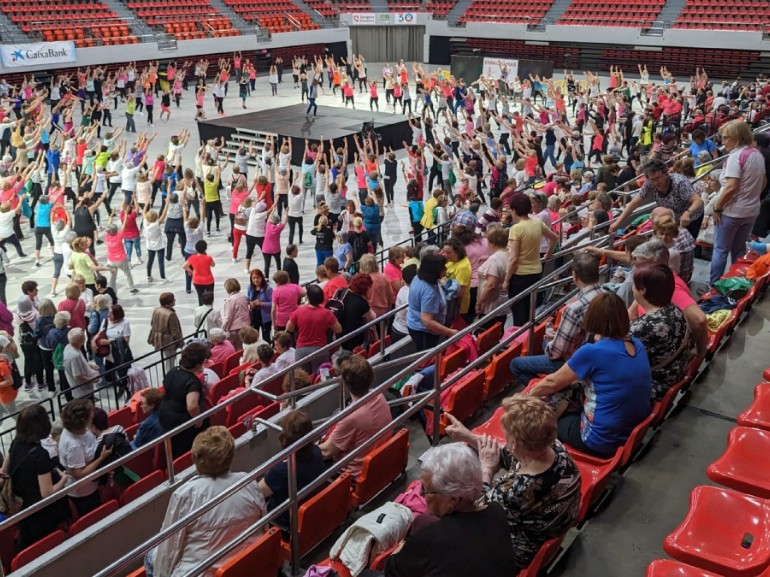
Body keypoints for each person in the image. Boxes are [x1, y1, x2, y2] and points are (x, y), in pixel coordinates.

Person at [445, 395, 581, 570]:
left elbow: (477, 510)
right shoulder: (554, 447)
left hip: (521, 549)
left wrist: (486, 470)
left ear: (515, 442)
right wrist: (469, 437)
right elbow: (509, 455)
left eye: (507, 436)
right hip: (551, 525)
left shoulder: (516, 491)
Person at [527, 293, 652, 458]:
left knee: (542, 419)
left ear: (593, 319)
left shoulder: (593, 352)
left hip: (599, 439)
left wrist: (527, 397)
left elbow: (551, 383)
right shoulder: (637, 344)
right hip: (629, 430)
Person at [147, 427, 267, 577]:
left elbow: (168, 547)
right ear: (231, 456)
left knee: (150, 555)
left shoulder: (185, 495)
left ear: (196, 459)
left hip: (204, 571)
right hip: (245, 563)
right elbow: (264, 525)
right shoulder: (248, 481)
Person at [384, 443, 517, 577]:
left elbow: (391, 570)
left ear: (453, 498)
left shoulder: (429, 538)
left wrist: (402, 546)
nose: (421, 494)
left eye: (426, 490)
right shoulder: (497, 511)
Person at [510, 251, 603, 386]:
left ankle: (551, 391)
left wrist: (551, 341)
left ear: (574, 275)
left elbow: (556, 353)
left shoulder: (574, 309)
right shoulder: (607, 295)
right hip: (592, 353)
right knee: (545, 344)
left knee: (516, 364)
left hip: (574, 362)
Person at [2, 404, 68, 549]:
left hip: (20, 504)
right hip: (39, 511)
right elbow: (47, 493)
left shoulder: (16, 443)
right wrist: (64, 479)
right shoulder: (40, 455)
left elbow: (4, 471)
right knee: (44, 542)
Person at [709, 120, 766, 285]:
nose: (723, 141)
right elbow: (763, 182)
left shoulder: (736, 156)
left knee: (720, 250)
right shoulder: (757, 154)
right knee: (739, 250)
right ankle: (737, 283)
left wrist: (717, 207)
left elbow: (731, 187)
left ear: (737, 137)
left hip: (731, 213)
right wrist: (751, 197)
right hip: (751, 211)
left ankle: (714, 287)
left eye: (726, 138)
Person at [318, 354, 391, 476]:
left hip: (353, 475)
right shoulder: (379, 396)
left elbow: (326, 452)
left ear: (346, 383)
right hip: (380, 462)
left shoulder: (351, 417)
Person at [629, 263, 693, 402]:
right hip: (677, 373)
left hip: (656, 386)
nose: (632, 288)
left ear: (643, 290)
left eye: (634, 285)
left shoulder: (643, 327)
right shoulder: (674, 310)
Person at [259, 410, 329, 527]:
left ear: (285, 438)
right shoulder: (317, 451)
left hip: (284, 524)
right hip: (313, 512)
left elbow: (258, 492)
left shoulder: (281, 471)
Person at [610, 158, 705, 241]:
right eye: (652, 179)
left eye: (658, 177)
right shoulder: (649, 184)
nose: (656, 182)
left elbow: (698, 201)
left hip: (691, 217)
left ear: (666, 173)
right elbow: (634, 203)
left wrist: (688, 212)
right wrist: (617, 223)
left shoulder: (679, 182)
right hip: (672, 218)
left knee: (684, 244)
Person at [504, 193, 558, 327]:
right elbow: (554, 238)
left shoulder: (516, 229)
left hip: (519, 276)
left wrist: (506, 280)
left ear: (515, 210)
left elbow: (514, 258)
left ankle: (520, 340)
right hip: (536, 273)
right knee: (530, 311)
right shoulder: (537, 223)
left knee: (518, 314)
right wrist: (547, 255)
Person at [59, 398, 113, 516]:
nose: (93, 414)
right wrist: (101, 458)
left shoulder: (83, 430)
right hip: (83, 492)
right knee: (93, 516)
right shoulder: (73, 445)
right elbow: (79, 474)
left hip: (93, 483)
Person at [158, 342, 211, 458]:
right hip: (182, 423)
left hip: (165, 415)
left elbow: (165, 387)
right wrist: (198, 419)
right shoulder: (193, 382)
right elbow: (192, 406)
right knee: (183, 452)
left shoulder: (173, 371)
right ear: (197, 364)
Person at [286, 284, 341, 373]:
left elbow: (289, 328)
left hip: (302, 350)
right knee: (323, 376)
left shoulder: (298, 311)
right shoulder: (326, 313)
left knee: (303, 379)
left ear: (308, 297)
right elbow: (338, 329)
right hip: (320, 349)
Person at [407, 253, 456, 351]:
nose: (446, 269)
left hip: (416, 324)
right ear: (435, 271)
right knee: (426, 358)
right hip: (424, 332)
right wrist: (449, 332)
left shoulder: (419, 277)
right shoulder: (429, 293)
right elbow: (427, 321)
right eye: (443, 267)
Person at [476, 226, 510, 330]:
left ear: (492, 243)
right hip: (503, 300)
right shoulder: (509, 254)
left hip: (490, 304)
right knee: (498, 330)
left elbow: (491, 285)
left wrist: (480, 302)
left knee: (486, 332)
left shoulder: (494, 259)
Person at [337, 273, 376, 352]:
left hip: (341, 334)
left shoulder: (343, 291)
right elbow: (371, 318)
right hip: (355, 337)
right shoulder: (362, 303)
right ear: (365, 289)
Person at [148, 292, 183, 375]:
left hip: (160, 339)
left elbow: (152, 323)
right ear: (170, 302)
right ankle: (170, 377)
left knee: (167, 359)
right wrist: (181, 342)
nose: (175, 300)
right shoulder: (171, 314)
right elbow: (175, 332)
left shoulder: (157, 310)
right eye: (173, 299)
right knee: (171, 361)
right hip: (169, 342)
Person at [63, 328, 99, 400]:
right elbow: (78, 376)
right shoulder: (74, 355)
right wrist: (92, 379)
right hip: (83, 392)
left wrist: (89, 365)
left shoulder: (69, 347)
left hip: (84, 391)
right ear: (81, 341)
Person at [183, 240, 216, 306]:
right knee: (210, 297)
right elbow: (213, 265)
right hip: (208, 280)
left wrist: (191, 272)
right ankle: (210, 309)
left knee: (200, 296)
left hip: (197, 280)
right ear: (205, 248)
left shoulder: (192, 257)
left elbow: (184, 266)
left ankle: (201, 309)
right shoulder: (208, 258)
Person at [222, 278, 251, 350]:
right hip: (246, 325)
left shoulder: (230, 300)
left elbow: (228, 317)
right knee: (241, 347)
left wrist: (223, 327)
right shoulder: (243, 296)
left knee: (233, 348)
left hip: (235, 328)